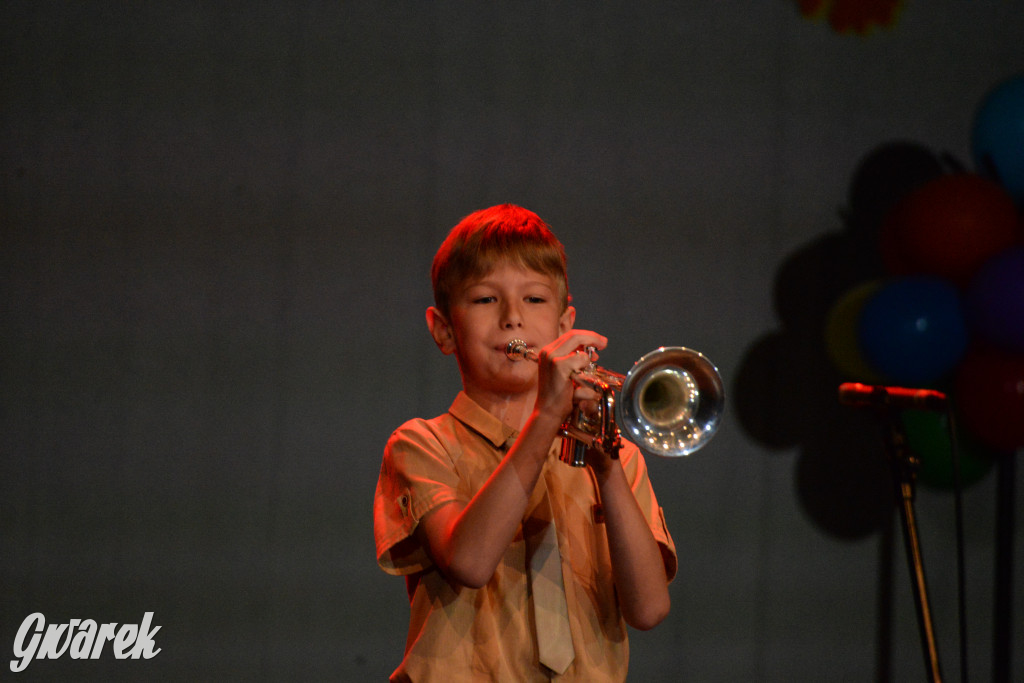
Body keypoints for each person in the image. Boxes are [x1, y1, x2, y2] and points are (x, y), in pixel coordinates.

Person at [373, 204, 676, 682]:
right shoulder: (422, 444)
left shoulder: (614, 455)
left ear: (564, 323)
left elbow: (650, 609)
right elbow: (469, 562)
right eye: (484, 300)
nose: (513, 319)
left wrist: (609, 468)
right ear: (444, 330)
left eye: (534, 300)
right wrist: (546, 418)